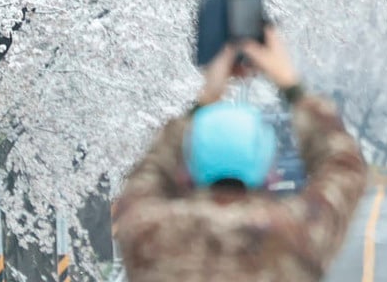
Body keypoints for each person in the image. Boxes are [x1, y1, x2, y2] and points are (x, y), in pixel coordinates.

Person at [112, 26, 368, 282]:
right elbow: (344, 166)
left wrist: (207, 97)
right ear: (269, 173)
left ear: (185, 171)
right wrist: (290, 85)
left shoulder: (151, 234)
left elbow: (145, 176)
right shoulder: (294, 235)